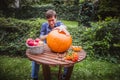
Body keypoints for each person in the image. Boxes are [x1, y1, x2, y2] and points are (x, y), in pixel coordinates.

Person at [31, 9, 70, 80]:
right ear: (47, 20)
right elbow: (41, 37)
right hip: (47, 46)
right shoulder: (44, 25)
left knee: (68, 57)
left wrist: (61, 28)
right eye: (49, 20)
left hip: (60, 46)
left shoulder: (59, 23)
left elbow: (64, 27)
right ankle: (34, 77)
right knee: (35, 58)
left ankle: (64, 76)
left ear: (56, 18)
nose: (51, 22)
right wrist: (50, 34)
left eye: (53, 20)